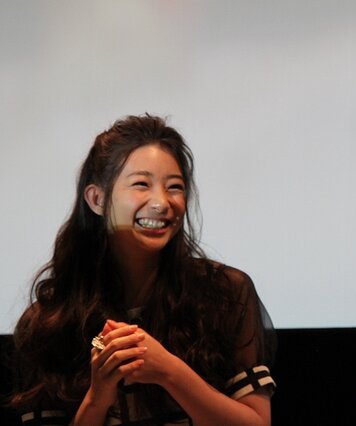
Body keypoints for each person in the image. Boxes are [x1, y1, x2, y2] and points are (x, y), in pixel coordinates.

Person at [11, 114, 276, 425]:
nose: (162, 202)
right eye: (141, 184)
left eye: (174, 187)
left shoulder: (225, 293)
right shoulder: (50, 321)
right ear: (96, 199)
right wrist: (98, 397)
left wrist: (169, 371)